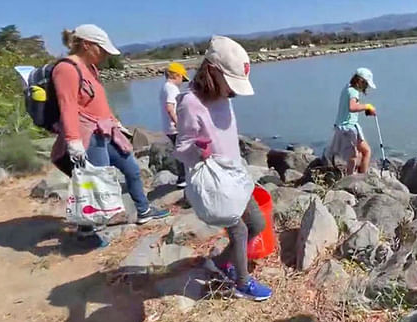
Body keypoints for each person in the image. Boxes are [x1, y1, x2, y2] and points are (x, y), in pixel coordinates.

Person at [51, 24, 171, 244]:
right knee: (96, 183)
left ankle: (143, 211)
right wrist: (73, 142)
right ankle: (86, 230)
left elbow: (98, 102)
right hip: (88, 135)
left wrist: (117, 123)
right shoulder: (66, 69)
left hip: (106, 131)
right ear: (86, 44)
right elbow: (67, 106)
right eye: (102, 49)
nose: (105, 54)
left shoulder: (90, 68)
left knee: (132, 169)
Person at [174, 36, 272, 301]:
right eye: (231, 84)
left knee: (257, 223)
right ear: (213, 71)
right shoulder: (190, 103)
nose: (234, 92)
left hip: (235, 172)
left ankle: (219, 263)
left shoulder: (223, 96)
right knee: (239, 231)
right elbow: (180, 149)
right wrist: (199, 150)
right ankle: (241, 283)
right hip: (218, 181)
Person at [326, 67, 377, 175]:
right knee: (353, 156)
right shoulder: (353, 92)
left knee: (366, 151)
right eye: (366, 84)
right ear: (360, 81)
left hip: (351, 126)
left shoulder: (347, 88)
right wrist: (367, 106)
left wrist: (365, 108)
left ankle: (362, 176)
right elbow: (352, 107)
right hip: (347, 129)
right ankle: (350, 179)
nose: (366, 87)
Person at [159, 62, 189, 188]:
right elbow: (170, 107)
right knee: (183, 152)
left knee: (179, 151)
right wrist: (178, 123)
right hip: (174, 127)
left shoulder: (164, 87)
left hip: (168, 127)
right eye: (182, 78)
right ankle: (183, 179)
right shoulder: (172, 88)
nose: (182, 81)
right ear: (176, 75)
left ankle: (182, 177)